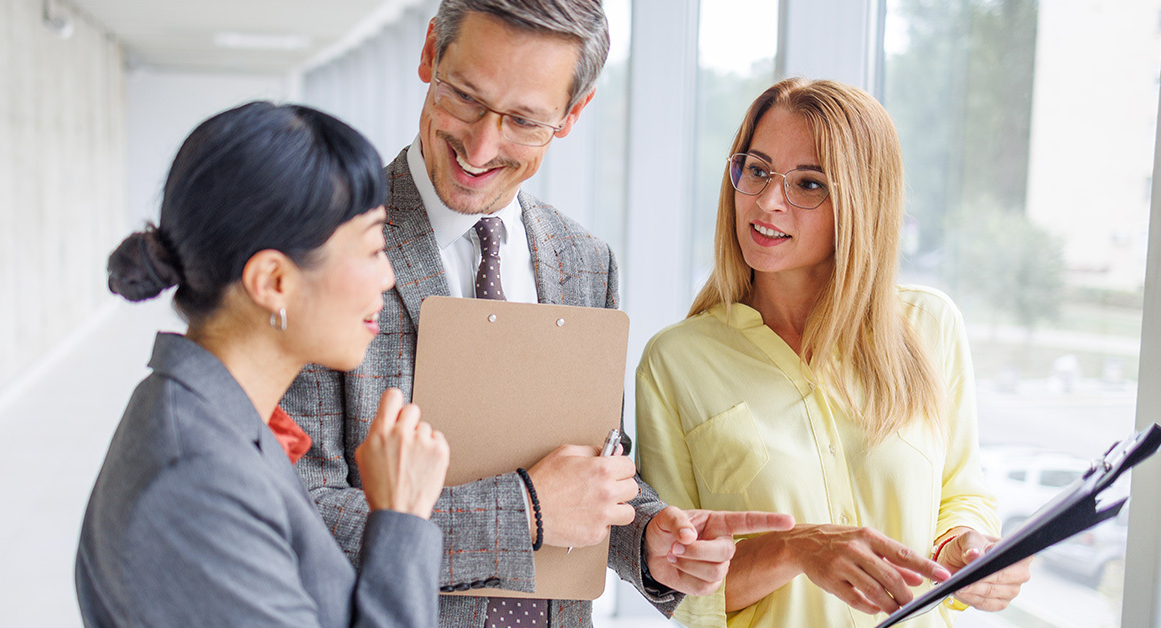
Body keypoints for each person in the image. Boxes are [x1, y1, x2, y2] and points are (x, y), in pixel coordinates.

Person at [281, 1, 794, 626]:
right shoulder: (326, 244)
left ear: (573, 114)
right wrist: (525, 510)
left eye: (525, 120)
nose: (480, 144)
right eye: (465, 98)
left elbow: (595, 464)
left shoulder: (584, 261)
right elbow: (297, 520)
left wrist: (650, 539)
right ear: (429, 55)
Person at [635, 78, 1033, 628]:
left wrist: (966, 550)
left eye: (809, 183)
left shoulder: (929, 327)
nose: (768, 201)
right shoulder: (674, 362)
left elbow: (961, 491)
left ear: (860, 202)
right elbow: (680, 586)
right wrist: (797, 548)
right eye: (756, 170)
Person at [75, 102, 450, 628]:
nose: (387, 278)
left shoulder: (215, 417)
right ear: (273, 281)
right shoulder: (196, 482)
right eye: (372, 249)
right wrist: (402, 519)